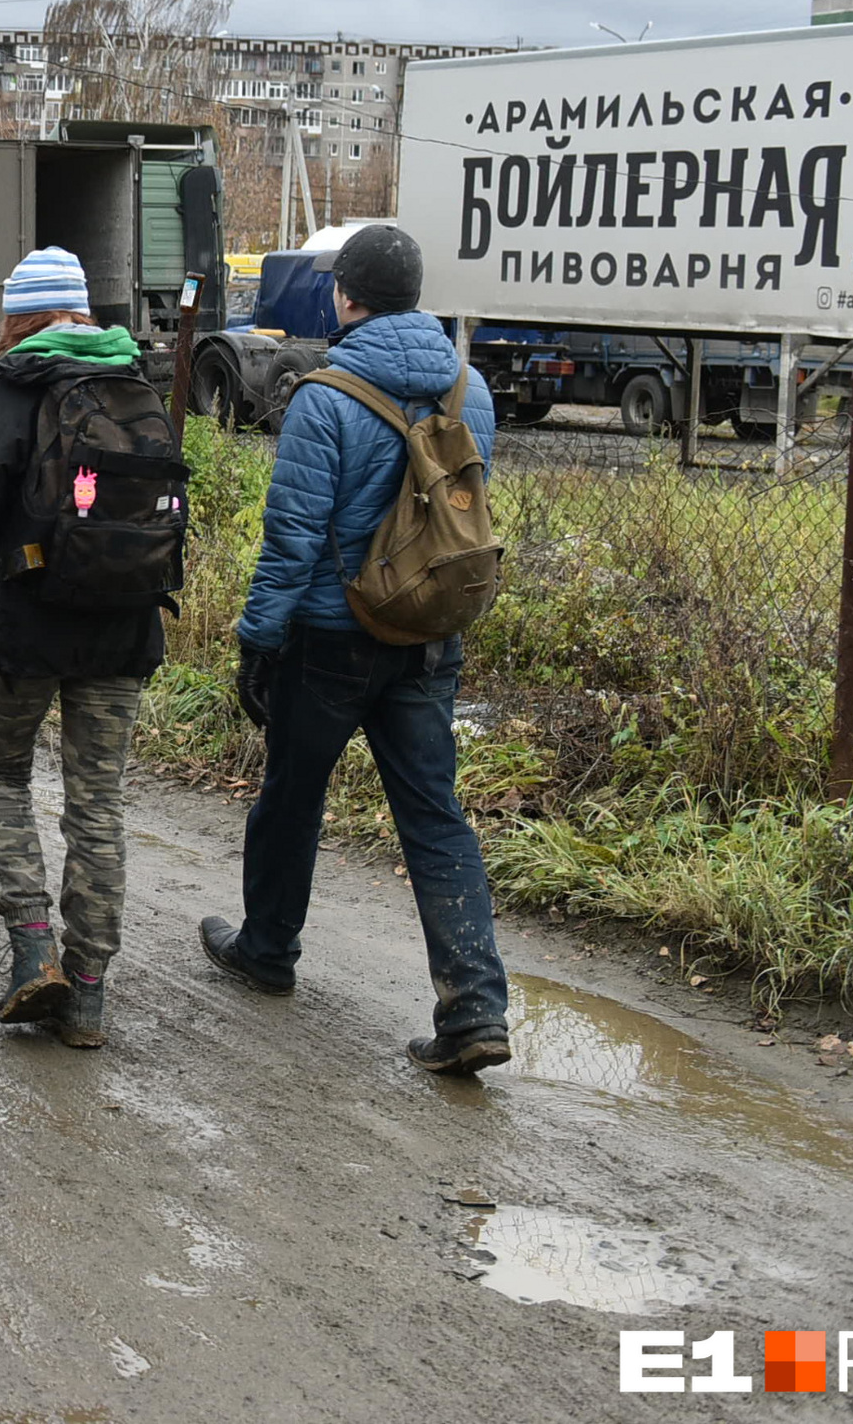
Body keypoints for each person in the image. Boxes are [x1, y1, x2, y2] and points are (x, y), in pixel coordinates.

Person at [197, 223, 513, 1077]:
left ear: (347, 297)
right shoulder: (469, 391)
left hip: (332, 638)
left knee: (292, 795)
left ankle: (268, 949)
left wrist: (257, 641)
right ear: (415, 295)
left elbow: (291, 537)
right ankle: (476, 1006)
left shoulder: (325, 396)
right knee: (435, 815)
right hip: (428, 637)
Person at [0, 246, 171, 1051]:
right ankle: (91, 996)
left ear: (19, 315)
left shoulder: (9, 385)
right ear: (83, 310)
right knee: (97, 807)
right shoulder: (135, 378)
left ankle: (34, 949)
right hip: (123, 627)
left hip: (26, 629)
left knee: (1, 772)